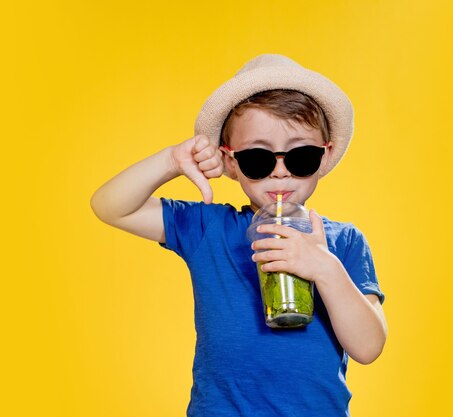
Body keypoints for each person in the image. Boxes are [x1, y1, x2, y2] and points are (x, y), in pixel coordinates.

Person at [91, 54, 387, 417]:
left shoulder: (342, 242)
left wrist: (325, 269)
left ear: (324, 157)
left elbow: (369, 347)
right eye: (258, 159)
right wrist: (171, 161)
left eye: (301, 156)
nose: (280, 173)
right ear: (230, 162)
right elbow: (111, 206)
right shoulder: (208, 228)